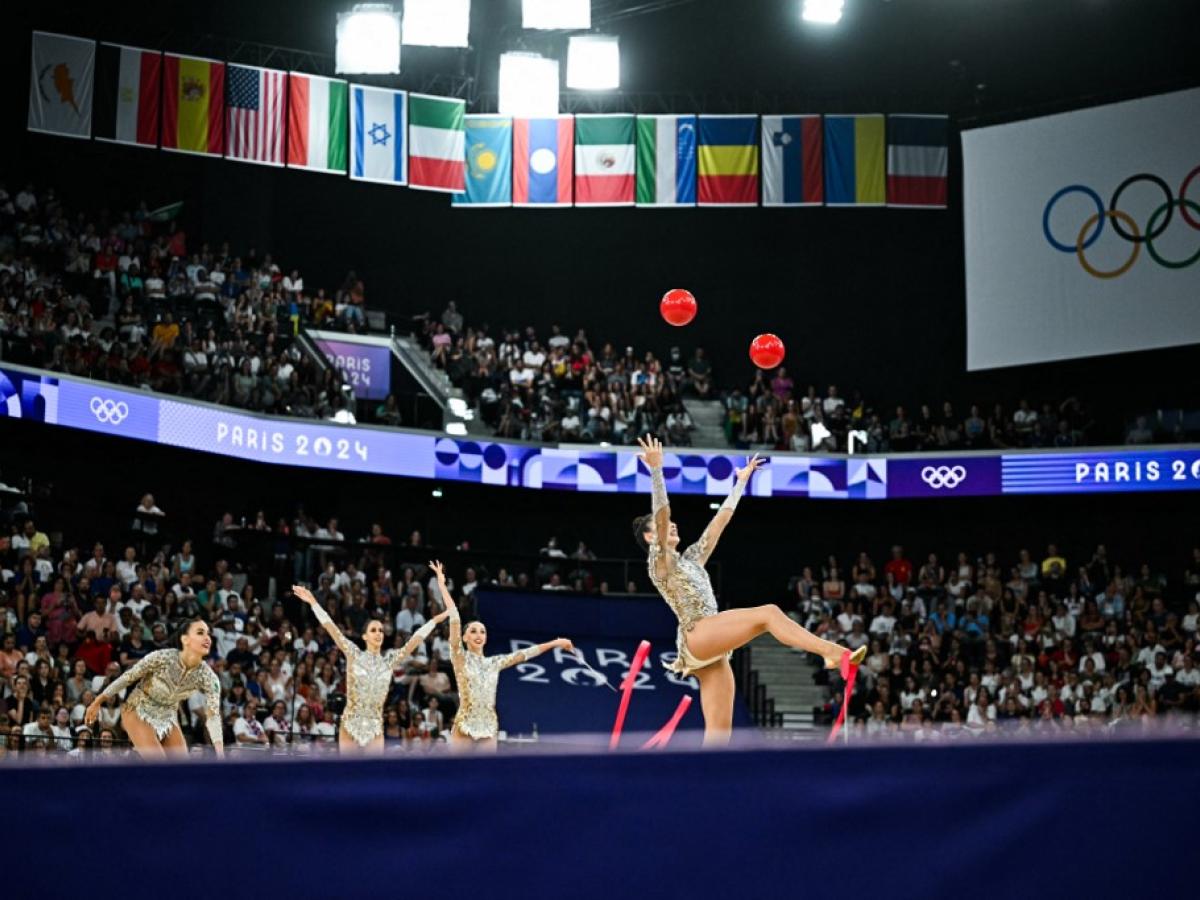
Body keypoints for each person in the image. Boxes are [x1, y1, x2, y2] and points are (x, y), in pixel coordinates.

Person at [633, 435, 865, 745]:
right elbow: (662, 518)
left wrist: (740, 483)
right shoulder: (659, 561)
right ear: (650, 538)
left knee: (719, 736)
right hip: (697, 633)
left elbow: (719, 524)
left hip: (711, 649)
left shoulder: (690, 559)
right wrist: (656, 472)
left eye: (673, 524)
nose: (672, 525)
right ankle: (832, 654)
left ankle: (702, 787)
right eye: (661, 527)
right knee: (768, 614)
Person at [429, 561, 574, 752]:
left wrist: (555, 642)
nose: (478, 635)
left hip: (489, 723)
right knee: (457, 773)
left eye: (482, 631)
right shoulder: (460, 657)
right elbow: (454, 616)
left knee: (486, 776)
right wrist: (441, 585)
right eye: (473, 631)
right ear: (464, 637)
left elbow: (524, 654)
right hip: (465, 722)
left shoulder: (494, 663)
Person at [292, 583, 449, 754]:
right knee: (349, 773)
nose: (378, 633)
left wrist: (434, 621)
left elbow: (414, 641)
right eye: (373, 630)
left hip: (374, 726)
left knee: (373, 774)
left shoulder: (389, 660)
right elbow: (331, 628)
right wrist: (313, 602)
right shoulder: (354, 654)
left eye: (381, 630)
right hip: (351, 723)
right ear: (365, 636)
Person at [85, 619, 224, 759]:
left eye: (208, 634)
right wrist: (98, 700)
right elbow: (128, 677)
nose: (207, 638)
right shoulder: (161, 657)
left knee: (183, 767)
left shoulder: (209, 676)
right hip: (138, 710)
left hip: (167, 716)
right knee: (160, 764)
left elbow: (214, 716)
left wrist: (220, 752)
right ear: (185, 639)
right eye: (200, 633)